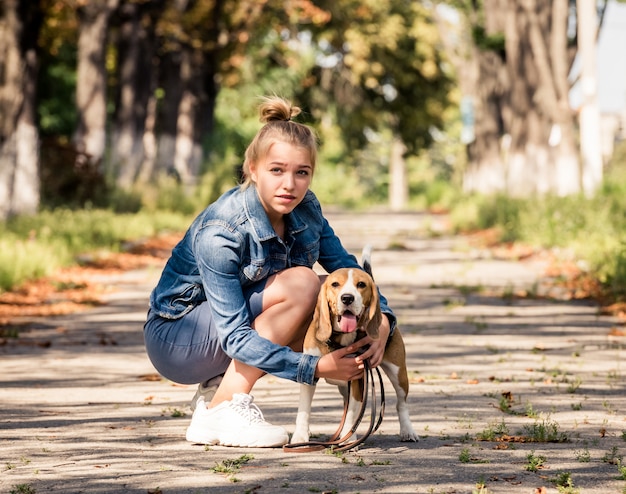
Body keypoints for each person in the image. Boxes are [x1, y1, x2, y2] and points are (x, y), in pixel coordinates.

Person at [143, 95, 397, 448]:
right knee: (305, 285)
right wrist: (314, 369)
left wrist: (382, 319)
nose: (289, 185)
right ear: (252, 168)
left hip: (221, 333)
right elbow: (233, 335)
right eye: (276, 170)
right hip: (178, 340)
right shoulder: (222, 230)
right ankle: (225, 407)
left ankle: (217, 395)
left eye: (301, 173)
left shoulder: (306, 209)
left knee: (334, 294)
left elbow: (347, 268)